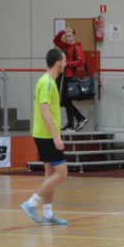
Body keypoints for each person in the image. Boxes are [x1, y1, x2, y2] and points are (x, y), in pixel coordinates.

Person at [20, 48, 70, 226]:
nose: (66, 64)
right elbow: (44, 110)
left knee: (50, 174)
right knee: (62, 172)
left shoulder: (46, 81)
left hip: (43, 134)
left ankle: (48, 214)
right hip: (47, 135)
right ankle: (31, 203)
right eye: (64, 61)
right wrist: (56, 136)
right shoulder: (47, 82)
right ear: (58, 63)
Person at [53, 26, 87, 132]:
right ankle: (78, 120)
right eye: (66, 36)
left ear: (74, 37)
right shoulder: (66, 46)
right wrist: (63, 31)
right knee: (65, 101)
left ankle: (72, 124)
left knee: (66, 101)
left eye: (69, 36)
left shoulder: (77, 47)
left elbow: (81, 61)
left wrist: (67, 63)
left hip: (70, 76)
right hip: (65, 76)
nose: (67, 38)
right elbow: (56, 40)